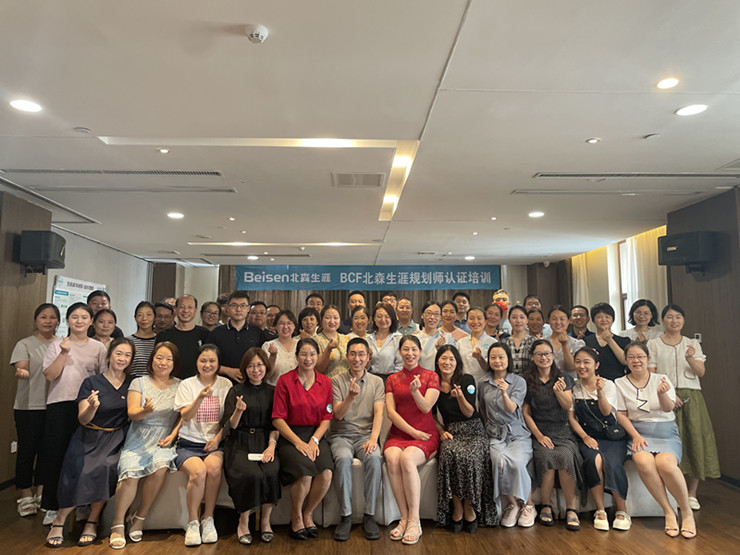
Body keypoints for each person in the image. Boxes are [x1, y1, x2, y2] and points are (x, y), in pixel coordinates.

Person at [45, 338, 135, 547]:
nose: (122, 358)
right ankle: (60, 519)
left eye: (127, 355)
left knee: (105, 467)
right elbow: (83, 419)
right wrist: (93, 407)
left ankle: (92, 521)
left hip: (116, 437)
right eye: (118, 353)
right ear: (109, 355)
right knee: (80, 468)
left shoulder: (133, 383)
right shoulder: (91, 382)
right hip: (89, 435)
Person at [615, 342, 696, 539]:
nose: (636, 360)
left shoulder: (661, 378)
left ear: (648, 359)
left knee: (665, 465)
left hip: (665, 433)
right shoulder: (620, 383)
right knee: (644, 461)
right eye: (631, 357)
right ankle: (668, 511)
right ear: (626, 361)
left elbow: (668, 408)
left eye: (640, 356)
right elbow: (621, 414)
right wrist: (635, 435)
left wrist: (661, 394)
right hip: (638, 434)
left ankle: (686, 512)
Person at [109, 342, 182, 549]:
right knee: (130, 473)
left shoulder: (180, 385)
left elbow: (183, 417)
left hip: (164, 438)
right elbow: (132, 413)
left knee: (160, 467)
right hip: (139, 436)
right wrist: (145, 411)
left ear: (174, 363)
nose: (163, 363)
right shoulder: (139, 382)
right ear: (152, 360)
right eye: (159, 358)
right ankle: (117, 524)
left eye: (168, 359)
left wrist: (173, 435)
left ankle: (139, 517)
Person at [647, 304, 719, 510]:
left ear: (683, 320)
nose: (674, 321)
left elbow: (700, 372)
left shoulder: (692, 343)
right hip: (664, 396)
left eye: (678, 317)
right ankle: (671, 493)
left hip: (692, 397)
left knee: (695, 440)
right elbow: (652, 374)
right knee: (668, 443)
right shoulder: (654, 344)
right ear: (663, 320)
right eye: (670, 317)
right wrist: (670, 393)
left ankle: (692, 493)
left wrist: (689, 358)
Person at [40, 302, 107, 520]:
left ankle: (82, 503)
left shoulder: (98, 348)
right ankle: (52, 506)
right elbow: (50, 375)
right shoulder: (57, 345)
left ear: (91, 321)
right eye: (75, 317)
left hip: (87, 406)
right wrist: (64, 353)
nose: (79, 321)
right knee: (55, 454)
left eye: (84, 317)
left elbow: (103, 378)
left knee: (84, 456)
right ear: (67, 321)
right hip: (60, 404)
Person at [272, 338, 334, 540]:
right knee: (305, 473)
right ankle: (296, 516)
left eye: (312, 354)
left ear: (318, 356)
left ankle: (308, 513)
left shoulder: (325, 382)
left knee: (326, 472)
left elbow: (327, 418)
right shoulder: (285, 381)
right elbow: (277, 419)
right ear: (297, 356)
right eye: (304, 354)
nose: (308, 359)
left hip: (315, 435)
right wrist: (298, 443)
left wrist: (314, 440)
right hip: (290, 435)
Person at [433, 345, 497, 532]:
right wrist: (440, 431)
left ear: (457, 362)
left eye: (451, 359)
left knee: (470, 458)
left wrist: (460, 396)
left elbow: (469, 413)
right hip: (452, 431)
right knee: (448, 455)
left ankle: (470, 507)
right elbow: (432, 415)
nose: (447, 362)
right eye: (444, 358)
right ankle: (457, 508)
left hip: (473, 430)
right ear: (437, 361)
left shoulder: (466, 379)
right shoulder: (433, 382)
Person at [383, 335, 440, 545]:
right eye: (406, 349)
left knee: (407, 459)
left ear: (420, 352)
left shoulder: (431, 376)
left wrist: (415, 393)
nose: (410, 353)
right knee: (392, 457)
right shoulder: (392, 379)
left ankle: (415, 520)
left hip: (425, 434)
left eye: (414, 349)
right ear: (399, 352)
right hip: (400, 434)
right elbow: (391, 413)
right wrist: (412, 432)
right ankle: (404, 517)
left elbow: (426, 408)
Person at [522, 339, 583, 531]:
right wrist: (539, 436)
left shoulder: (563, 378)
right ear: (533, 357)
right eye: (539, 354)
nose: (544, 358)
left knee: (565, 456)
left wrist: (558, 392)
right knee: (546, 457)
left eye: (547, 354)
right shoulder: (526, 380)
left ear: (553, 356)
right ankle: (546, 506)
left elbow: (567, 406)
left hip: (562, 430)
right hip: (539, 430)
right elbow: (526, 413)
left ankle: (571, 508)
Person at [174, 344, 231, 546]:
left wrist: (217, 439)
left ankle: (208, 519)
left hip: (214, 443)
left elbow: (228, 420)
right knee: (198, 472)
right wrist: (199, 398)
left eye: (212, 361)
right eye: (203, 361)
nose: (207, 365)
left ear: (218, 363)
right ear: (196, 362)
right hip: (188, 443)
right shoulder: (187, 385)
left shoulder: (226, 384)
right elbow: (186, 416)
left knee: (213, 468)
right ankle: (192, 522)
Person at [221, 348, 280, 545]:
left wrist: (271, 446)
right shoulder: (236, 391)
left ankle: (265, 521)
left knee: (271, 470)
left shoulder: (273, 392)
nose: (256, 370)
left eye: (260, 365)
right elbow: (230, 426)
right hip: (240, 441)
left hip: (265, 441)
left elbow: (276, 425)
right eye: (251, 366)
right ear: (245, 369)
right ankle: (243, 521)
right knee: (250, 473)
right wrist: (238, 411)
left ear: (266, 367)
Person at [567, 347, 630, 532]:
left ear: (596, 365)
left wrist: (600, 392)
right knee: (594, 460)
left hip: (612, 437)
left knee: (613, 463)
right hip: (588, 436)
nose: (582, 366)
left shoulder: (608, 384)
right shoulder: (574, 387)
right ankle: (600, 510)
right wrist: (585, 436)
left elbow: (606, 411)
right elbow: (571, 418)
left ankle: (622, 511)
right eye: (578, 362)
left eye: (586, 362)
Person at [328, 337, 385, 541]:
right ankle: (346, 516)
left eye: (361, 354)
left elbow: (379, 413)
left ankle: (369, 515)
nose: (357, 359)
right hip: (340, 435)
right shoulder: (336, 381)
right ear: (347, 357)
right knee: (343, 460)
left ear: (368, 357)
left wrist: (373, 439)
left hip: (365, 435)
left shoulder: (377, 382)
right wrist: (350, 397)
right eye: (353, 354)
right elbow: (337, 414)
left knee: (375, 458)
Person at [478, 342, 536, 528]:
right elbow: (482, 409)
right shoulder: (483, 383)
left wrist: (504, 393)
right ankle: (512, 505)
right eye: (493, 357)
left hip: (517, 433)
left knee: (517, 462)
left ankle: (528, 505)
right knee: (499, 461)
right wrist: (489, 425)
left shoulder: (518, 382)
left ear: (508, 359)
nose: (497, 361)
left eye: (501, 357)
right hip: (495, 434)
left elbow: (511, 409)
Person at [10, 303, 59, 517]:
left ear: (58, 321)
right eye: (43, 317)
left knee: (48, 452)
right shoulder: (25, 344)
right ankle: (25, 494)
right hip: (28, 407)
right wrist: (21, 371)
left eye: (52, 317)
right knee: (27, 451)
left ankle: (41, 490)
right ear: (36, 320)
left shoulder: (62, 344)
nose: (48, 321)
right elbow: (21, 366)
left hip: (54, 405)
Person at [207, 291, 266, 383]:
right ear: (228, 308)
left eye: (243, 305)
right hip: (222, 384)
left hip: (251, 384)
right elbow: (207, 362)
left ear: (248, 308)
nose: (238, 309)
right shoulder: (216, 333)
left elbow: (264, 362)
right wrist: (227, 370)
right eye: (234, 305)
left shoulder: (258, 333)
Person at [155, 295, 210, 379]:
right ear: (176, 310)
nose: (186, 310)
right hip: (169, 381)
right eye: (182, 307)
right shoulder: (164, 335)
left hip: (197, 381)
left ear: (195, 310)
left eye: (190, 307)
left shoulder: (205, 334)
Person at [584, 302, 629, 381]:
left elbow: (625, 361)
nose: (604, 320)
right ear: (593, 320)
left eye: (607, 317)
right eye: (599, 317)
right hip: (593, 382)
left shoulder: (623, 341)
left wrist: (610, 340)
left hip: (617, 382)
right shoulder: (586, 341)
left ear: (613, 319)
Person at [456, 307, 494, 382]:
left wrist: (480, 358)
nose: (475, 322)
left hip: (485, 384)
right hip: (464, 383)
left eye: (479, 318)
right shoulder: (460, 342)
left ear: (485, 321)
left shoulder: (492, 342)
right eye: (471, 318)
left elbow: (491, 368)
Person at [415, 301, 455, 370]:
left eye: (436, 314)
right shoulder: (415, 338)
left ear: (440, 317)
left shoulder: (448, 337)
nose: (432, 317)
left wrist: (441, 349)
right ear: (422, 315)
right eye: (429, 313)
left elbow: (453, 360)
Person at [548, 305, 585, 379]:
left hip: (570, 383)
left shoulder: (577, 343)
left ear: (568, 321)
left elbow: (571, 367)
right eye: (554, 319)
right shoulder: (542, 342)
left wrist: (565, 345)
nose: (558, 322)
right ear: (549, 321)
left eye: (562, 319)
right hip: (547, 382)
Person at [263, 310, 299, 384]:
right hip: (275, 388)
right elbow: (267, 375)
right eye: (281, 323)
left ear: (294, 326)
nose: (285, 327)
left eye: (289, 323)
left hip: (298, 389)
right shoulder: (267, 346)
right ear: (276, 326)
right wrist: (273, 356)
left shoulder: (300, 345)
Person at [367, 303, 403, 378]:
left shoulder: (398, 339)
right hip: (371, 378)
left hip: (392, 378)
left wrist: (393, 381)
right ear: (374, 318)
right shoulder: (368, 339)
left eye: (387, 316)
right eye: (379, 316)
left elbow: (400, 364)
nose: (383, 320)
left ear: (392, 319)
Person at [315, 305, 349, 378]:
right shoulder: (316, 340)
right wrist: (328, 349)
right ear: (321, 320)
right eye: (328, 318)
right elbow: (318, 368)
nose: (332, 321)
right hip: (327, 382)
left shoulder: (346, 339)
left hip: (346, 382)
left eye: (335, 318)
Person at [501, 305, 536, 374]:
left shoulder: (534, 341)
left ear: (527, 320)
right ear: (509, 320)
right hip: (509, 379)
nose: (518, 321)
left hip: (529, 379)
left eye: (522, 317)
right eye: (514, 317)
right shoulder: (504, 342)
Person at [128, 301, 157, 378]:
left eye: (149, 315)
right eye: (140, 315)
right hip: (132, 382)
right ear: (135, 318)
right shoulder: (128, 341)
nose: (144, 318)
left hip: (154, 382)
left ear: (155, 317)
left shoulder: (159, 340)